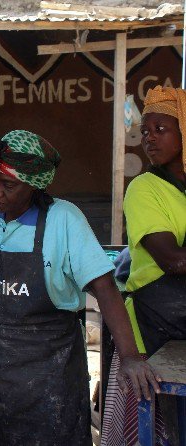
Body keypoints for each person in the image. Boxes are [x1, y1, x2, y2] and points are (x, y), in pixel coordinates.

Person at [0, 130, 160, 445]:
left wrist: (130, 356)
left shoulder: (64, 220)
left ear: (34, 186)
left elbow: (105, 289)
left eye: (9, 185)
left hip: (55, 373)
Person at [101, 86, 186, 446]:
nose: (149, 138)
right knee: (160, 430)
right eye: (146, 130)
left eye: (160, 129)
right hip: (154, 329)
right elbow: (174, 260)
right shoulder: (144, 189)